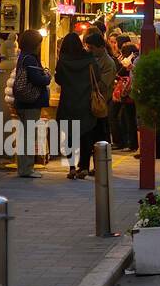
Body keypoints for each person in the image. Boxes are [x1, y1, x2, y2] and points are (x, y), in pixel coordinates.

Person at [55, 32, 100, 179]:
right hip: (86, 102)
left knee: (68, 135)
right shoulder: (89, 59)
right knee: (86, 134)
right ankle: (85, 167)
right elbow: (97, 78)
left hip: (68, 102)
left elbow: (59, 79)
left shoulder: (62, 60)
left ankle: (72, 167)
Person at [11, 29, 51, 177]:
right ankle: (27, 169)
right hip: (30, 103)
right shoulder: (30, 59)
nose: (40, 46)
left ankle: (23, 168)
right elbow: (38, 79)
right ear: (34, 44)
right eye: (39, 43)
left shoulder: (23, 56)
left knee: (24, 136)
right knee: (28, 136)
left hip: (22, 102)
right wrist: (47, 76)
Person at [84, 31, 118, 148]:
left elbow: (103, 85)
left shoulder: (108, 63)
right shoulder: (90, 59)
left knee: (100, 135)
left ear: (102, 47)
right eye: (88, 47)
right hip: (90, 103)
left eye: (91, 48)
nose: (89, 50)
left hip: (100, 104)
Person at [113, 42, 139, 152]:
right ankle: (132, 143)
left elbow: (120, 73)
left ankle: (132, 144)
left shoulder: (131, 60)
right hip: (131, 93)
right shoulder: (135, 59)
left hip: (129, 94)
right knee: (130, 119)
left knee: (129, 119)